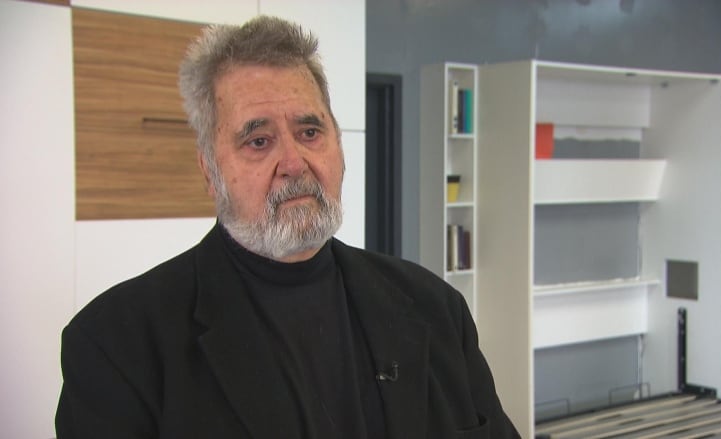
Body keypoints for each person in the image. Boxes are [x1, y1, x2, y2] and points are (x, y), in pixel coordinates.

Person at [55, 15, 520, 439]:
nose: (294, 163)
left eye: (310, 132)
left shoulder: (436, 309)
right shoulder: (115, 347)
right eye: (258, 141)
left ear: (338, 145)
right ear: (209, 170)